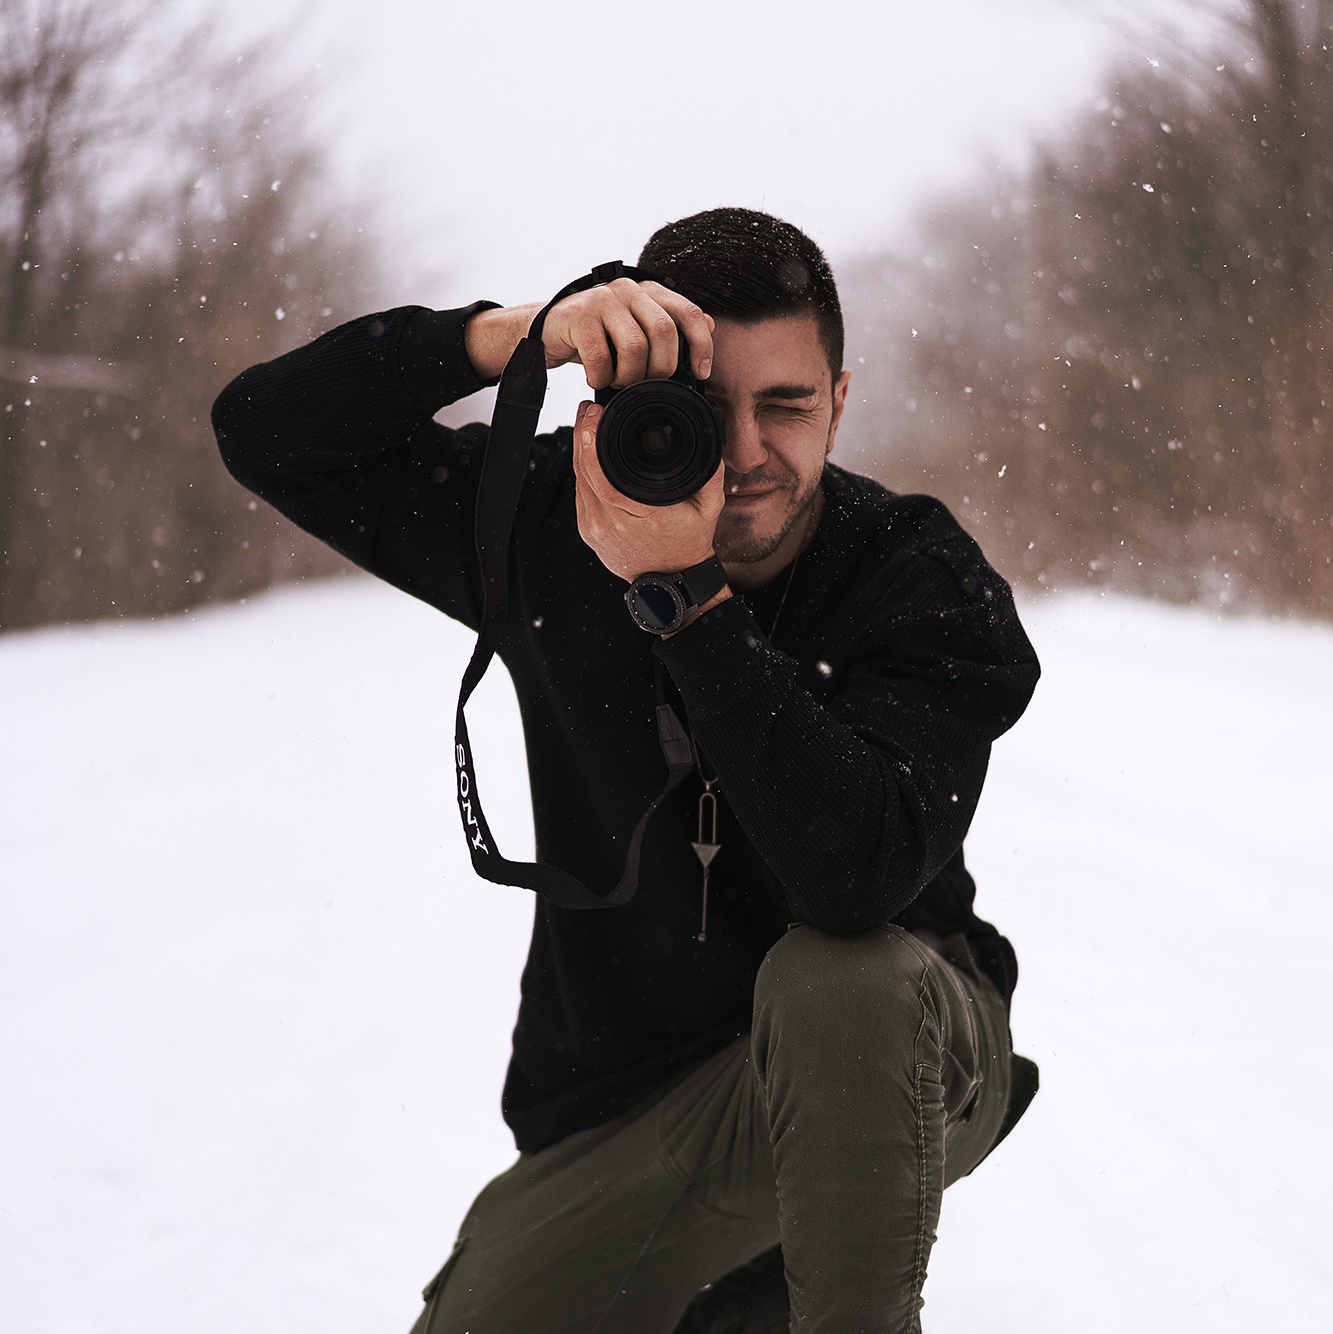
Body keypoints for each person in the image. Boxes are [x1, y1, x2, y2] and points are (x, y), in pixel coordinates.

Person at [212, 207, 1041, 1334]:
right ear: (613, 401)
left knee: (840, 985)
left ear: (840, 401)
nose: (745, 452)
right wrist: (513, 337)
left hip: (904, 1059)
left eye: (786, 405)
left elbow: (852, 880)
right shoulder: (544, 514)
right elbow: (264, 431)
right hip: (632, 1093)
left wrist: (686, 601)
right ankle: (733, 1278)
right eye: (700, 410)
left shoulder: (916, 575)